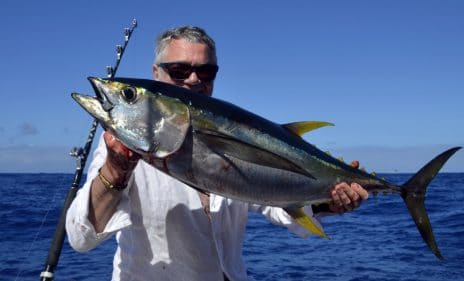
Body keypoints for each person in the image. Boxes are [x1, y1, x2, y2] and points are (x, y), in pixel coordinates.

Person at [66, 25, 369, 281]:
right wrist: (116, 171)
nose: (194, 79)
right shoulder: (118, 152)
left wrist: (329, 202)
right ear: (156, 73)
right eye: (179, 70)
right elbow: (81, 238)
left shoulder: (234, 128)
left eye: (206, 71)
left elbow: (275, 205)